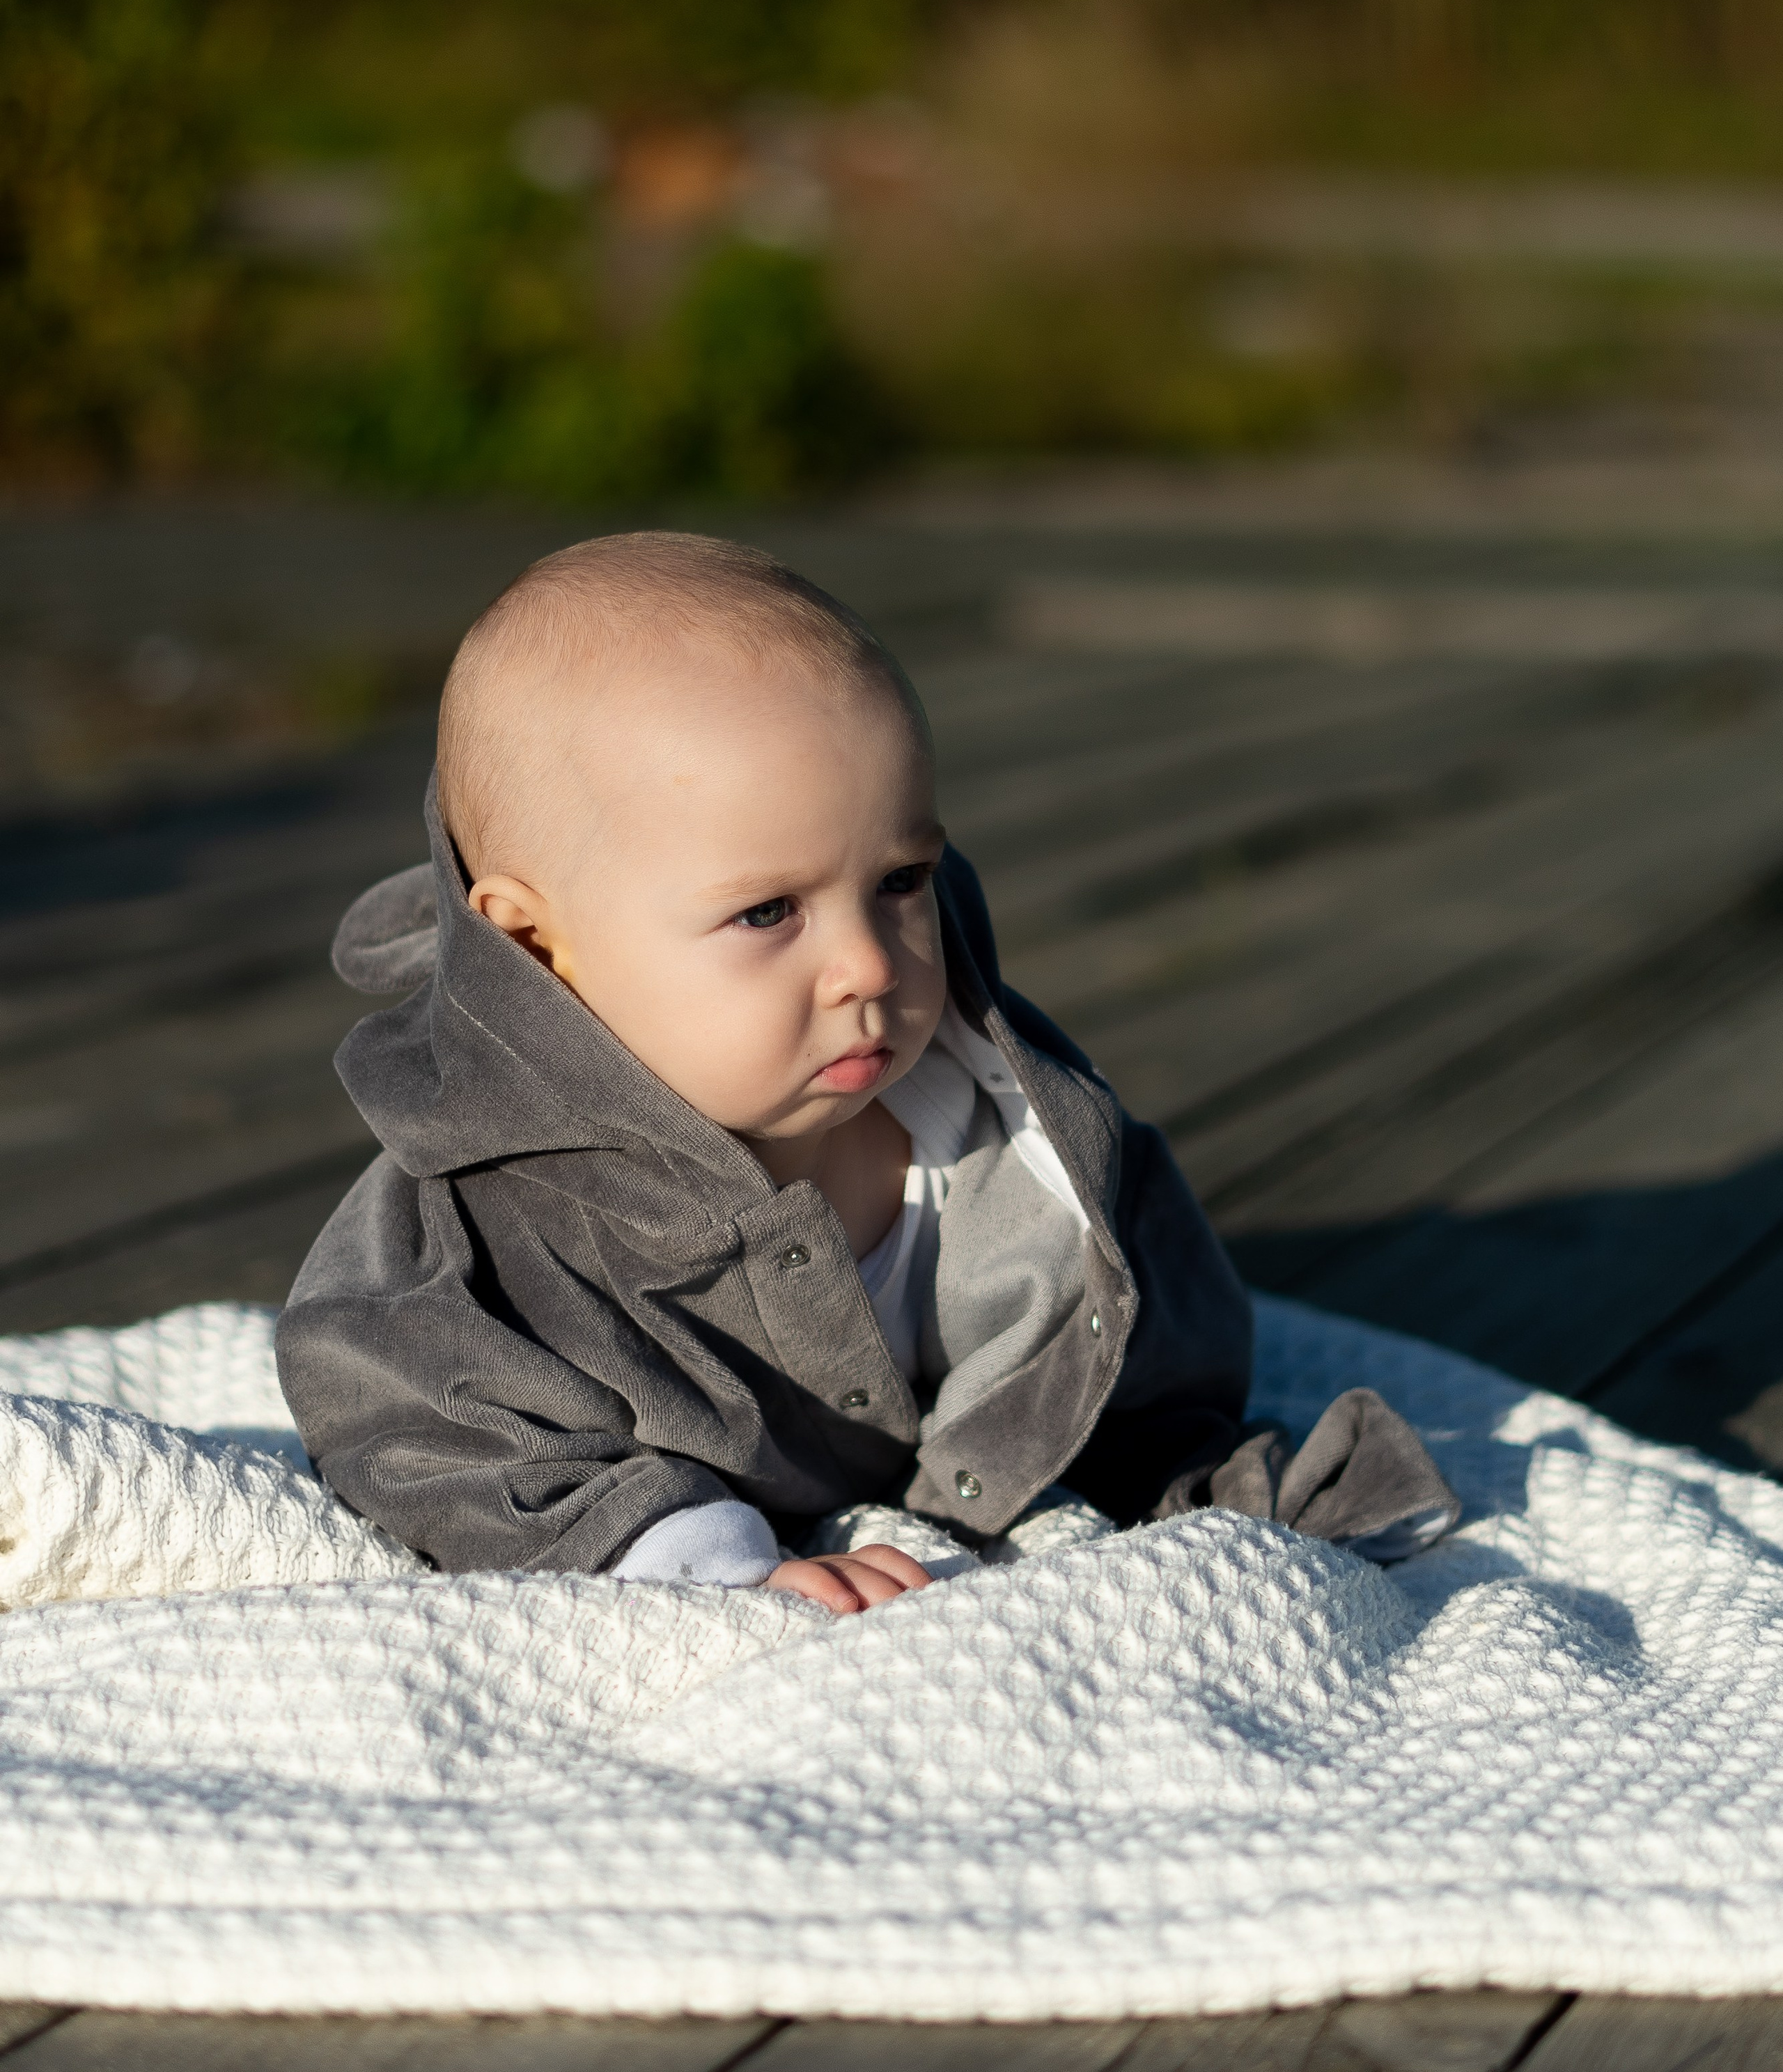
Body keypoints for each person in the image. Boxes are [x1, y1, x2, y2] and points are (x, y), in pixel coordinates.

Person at [277, 532, 1456, 1615]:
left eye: (900, 881)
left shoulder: (1008, 1150)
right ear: (541, 950)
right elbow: (395, 1410)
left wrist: (1194, 1474)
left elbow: (1145, 1345)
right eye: (767, 911)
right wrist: (689, 1552)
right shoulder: (482, 1225)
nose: (865, 964)